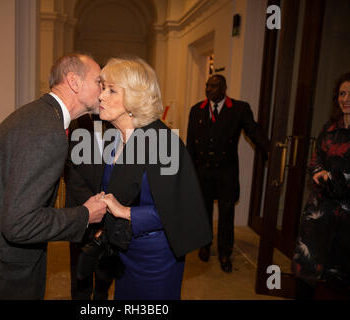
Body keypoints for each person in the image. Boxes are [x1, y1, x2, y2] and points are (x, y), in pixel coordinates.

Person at [0, 53, 107, 299]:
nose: (103, 91)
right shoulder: (47, 132)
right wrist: (84, 215)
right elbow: (19, 224)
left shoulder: (38, 114)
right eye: (98, 82)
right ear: (74, 81)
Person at [81, 57, 212, 300]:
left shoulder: (163, 143)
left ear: (133, 98)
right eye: (102, 88)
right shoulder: (115, 138)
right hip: (123, 248)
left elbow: (178, 210)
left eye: (111, 90)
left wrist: (126, 212)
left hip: (155, 258)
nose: (101, 96)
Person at [186, 74, 269, 273]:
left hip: (226, 172)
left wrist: (270, 151)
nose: (208, 90)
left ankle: (225, 252)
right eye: (207, 86)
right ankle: (204, 244)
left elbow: (254, 132)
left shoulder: (240, 109)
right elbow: (190, 144)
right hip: (203, 171)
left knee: (226, 215)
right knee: (203, 211)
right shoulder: (196, 110)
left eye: (213, 86)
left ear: (224, 88)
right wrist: (187, 172)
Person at [292, 72, 350, 299]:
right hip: (319, 214)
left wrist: (335, 178)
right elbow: (315, 159)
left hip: (345, 221)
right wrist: (318, 172)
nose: (345, 98)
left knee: (338, 281)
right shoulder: (329, 128)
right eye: (342, 93)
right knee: (305, 273)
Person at [65, 114, 113, 300]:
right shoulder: (75, 120)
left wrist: (108, 202)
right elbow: (69, 168)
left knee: (105, 270)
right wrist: (94, 203)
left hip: (111, 208)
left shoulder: (116, 120)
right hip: (81, 207)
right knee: (80, 269)